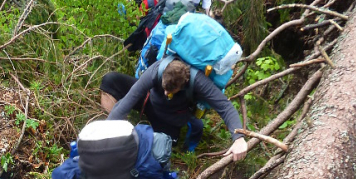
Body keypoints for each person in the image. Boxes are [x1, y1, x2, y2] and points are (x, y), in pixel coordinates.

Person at [100, 57, 248, 159]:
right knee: (110, 80)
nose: (166, 93)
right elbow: (129, 99)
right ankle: (119, 133)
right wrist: (107, 131)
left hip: (170, 118)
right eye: (165, 88)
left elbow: (225, 106)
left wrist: (238, 137)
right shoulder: (157, 69)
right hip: (150, 101)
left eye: (170, 91)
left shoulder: (198, 82)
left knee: (160, 150)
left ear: (184, 83)